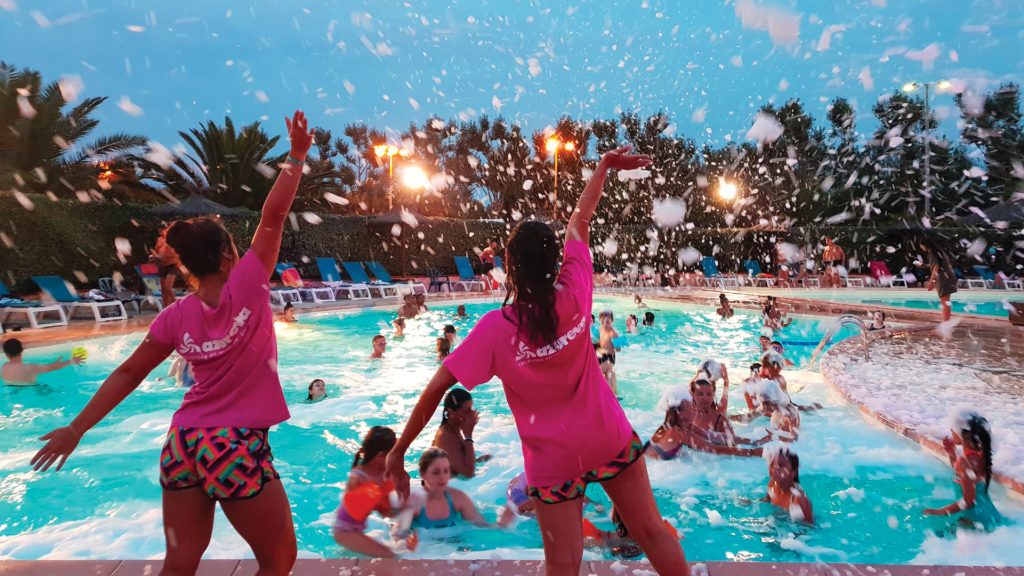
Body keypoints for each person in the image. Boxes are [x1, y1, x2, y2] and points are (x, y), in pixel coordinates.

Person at [30, 111, 315, 575]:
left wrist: (76, 429)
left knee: (180, 562)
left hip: (183, 444)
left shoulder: (175, 316)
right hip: (234, 444)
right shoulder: (249, 282)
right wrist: (297, 155)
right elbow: (274, 216)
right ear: (226, 255)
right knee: (279, 559)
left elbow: (127, 373)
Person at [384, 146, 687, 576]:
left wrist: (399, 451)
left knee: (562, 563)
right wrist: (602, 167)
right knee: (653, 533)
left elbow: (436, 389)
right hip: (608, 437)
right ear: (555, 263)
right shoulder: (577, 291)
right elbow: (579, 221)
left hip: (552, 462)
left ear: (510, 268)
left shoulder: (495, 329)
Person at [923, 411, 1002, 530]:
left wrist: (939, 512)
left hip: (976, 521)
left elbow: (968, 501)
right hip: (989, 518)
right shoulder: (978, 456)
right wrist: (952, 454)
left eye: (953, 428)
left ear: (963, 434)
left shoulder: (965, 462)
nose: (950, 429)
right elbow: (964, 476)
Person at [333, 426, 402, 558]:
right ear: (381, 456)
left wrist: (408, 510)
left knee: (394, 552)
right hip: (345, 532)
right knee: (390, 556)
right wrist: (378, 494)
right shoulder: (358, 478)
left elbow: (386, 512)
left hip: (357, 530)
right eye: (392, 454)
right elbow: (357, 508)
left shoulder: (383, 475)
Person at [647, 387, 763, 460]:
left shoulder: (676, 426)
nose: (695, 409)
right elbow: (716, 450)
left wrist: (754, 442)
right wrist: (754, 452)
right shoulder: (679, 432)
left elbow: (711, 436)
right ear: (680, 413)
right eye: (691, 407)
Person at [409, 447, 495, 530]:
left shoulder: (458, 498)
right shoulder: (413, 502)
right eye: (436, 472)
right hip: (425, 543)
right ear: (422, 474)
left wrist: (504, 523)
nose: (442, 477)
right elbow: (399, 534)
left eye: (446, 471)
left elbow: (483, 526)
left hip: (455, 543)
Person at [431, 388, 491, 478]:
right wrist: (468, 436)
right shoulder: (445, 436)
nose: (471, 414)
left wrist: (478, 461)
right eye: (467, 411)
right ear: (451, 412)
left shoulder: (454, 430)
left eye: (471, 409)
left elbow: (456, 462)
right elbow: (468, 473)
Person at [764, 447, 814, 524]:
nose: (774, 469)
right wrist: (751, 502)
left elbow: (809, 527)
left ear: (793, 472)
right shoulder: (772, 485)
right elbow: (766, 500)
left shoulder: (797, 499)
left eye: (781, 466)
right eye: (772, 464)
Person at [2, 338, 83, 385]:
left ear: (6, 354)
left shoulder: (4, 367)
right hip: (32, 392)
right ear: (21, 350)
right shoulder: (31, 367)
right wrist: (71, 361)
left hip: (11, 392)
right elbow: (54, 367)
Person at [921, 240, 957, 322]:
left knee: (945, 301)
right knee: (946, 301)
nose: (921, 247)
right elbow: (939, 264)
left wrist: (932, 282)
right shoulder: (939, 252)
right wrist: (925, 265)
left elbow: (936, 268)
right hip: (948, 276)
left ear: (925, 245)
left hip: (944, 278)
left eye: (921, 245)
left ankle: (946, 323)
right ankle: (946, 321)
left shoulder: (932, 253)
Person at [150, 226, 180, 309]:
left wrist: (163, 256)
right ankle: (165, 309)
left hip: (173, 264)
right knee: (163, 289)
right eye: (159, 229)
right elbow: (156, 251)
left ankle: (177, 307)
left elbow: (176, 252)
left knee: (168, 287)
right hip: (163, 265)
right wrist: (153, 256)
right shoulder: (159, 239)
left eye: (162, 229)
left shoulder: (173, 239)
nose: (160, 231)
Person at [597, 309, 620, 393]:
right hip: (599, 357)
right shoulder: (599, 330)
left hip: (609, 358)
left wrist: (606, 351)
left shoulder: (614, 333)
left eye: (608, 318)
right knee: (609, 379)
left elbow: (618, 349)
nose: (605, 319)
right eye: (603, 318)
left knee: (596, 372)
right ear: (600, 319)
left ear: (612, 320)